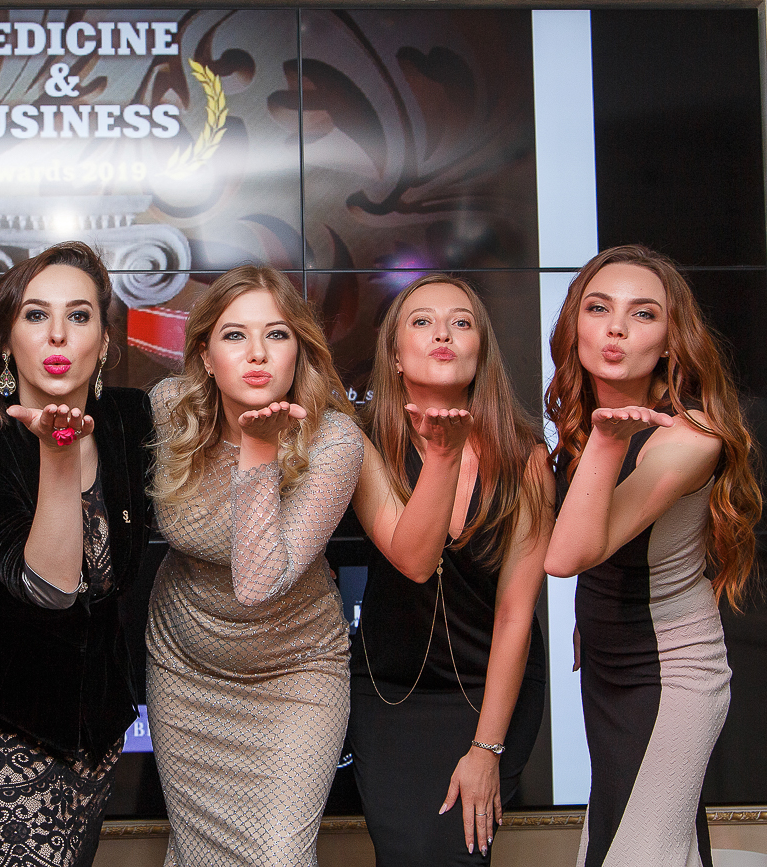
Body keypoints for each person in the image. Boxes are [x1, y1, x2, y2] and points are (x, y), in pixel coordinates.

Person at [0, 241, 153, 867]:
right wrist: (59, 454)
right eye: (36, 315)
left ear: (105, 341)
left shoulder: (130, 419)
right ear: (8, 341)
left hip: (95, 720)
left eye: (79, 315)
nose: (58, 333)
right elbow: (50, 586)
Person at [544, 245, 761, 867]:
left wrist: (607, 441)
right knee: (635, 841)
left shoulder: (692, 435)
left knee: (636, 853)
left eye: (643, 314)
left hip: (672, 671)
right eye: (598, 308)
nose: (615, 327)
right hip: (608, 664)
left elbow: (570, 554)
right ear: (575, 326)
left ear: (670, 342)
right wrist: (596, 616)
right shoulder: (582, 419)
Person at [145, 265, 368, 866]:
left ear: (300, 349)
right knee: (197, 854)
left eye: (276, 334)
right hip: (186, 671)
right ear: (205, 355)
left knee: (278, 855)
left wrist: (259, 451)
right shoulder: (171, 409)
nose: (258, 353)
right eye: (234, 335)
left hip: (294, 676)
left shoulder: (333, 441)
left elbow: (258, 583)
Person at [346, 274, 554, 865]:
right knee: (407, 853)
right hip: (391, 695)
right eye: (422, 322)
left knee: (462, 854)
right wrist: (442, 453)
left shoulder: (526, 458)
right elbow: (413, 561)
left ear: (480, 351)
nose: (443, 334)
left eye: (461, 323)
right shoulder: (364, 445)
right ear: (394, 354)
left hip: (492, 693)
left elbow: (516, 613)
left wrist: (487, 748)